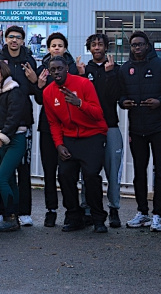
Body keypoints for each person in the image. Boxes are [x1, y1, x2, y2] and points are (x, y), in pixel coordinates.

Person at [119, 31, 161, 232]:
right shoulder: (125, 68)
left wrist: (160, 102)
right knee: (139, 171)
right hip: (137, 129)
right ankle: (142, 212)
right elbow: (120, 94)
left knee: (160, 171)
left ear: (148, 46)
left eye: (140, 44)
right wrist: (123, 102)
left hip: (159, 127)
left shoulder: (160, 66)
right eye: (134, 45)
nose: (137, 48)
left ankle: (157, 214)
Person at [42, 56, 109, 233]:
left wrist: (79, 103)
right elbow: (53, 123)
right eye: (53, 69)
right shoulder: (48, 92)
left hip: (92, 136)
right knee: (64, 175)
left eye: (59, 68)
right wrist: (58, 145)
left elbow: (98, 114)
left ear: (67, 68)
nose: (56, 72)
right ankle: (74, 216)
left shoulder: (84, 84)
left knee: (91, 176)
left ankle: (98, 218)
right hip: (69, 138)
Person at [0, 25, 37, 227]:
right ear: (5, 39)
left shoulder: (29, 61)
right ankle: (3, 211)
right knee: (3, 173)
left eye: (18, 37)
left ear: (23, 40)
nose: (14, 40)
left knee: (23, 170)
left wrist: (35, 82)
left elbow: (38, 93)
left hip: (22, 125)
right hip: (2, 126)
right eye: (11, 37)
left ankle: (23, 212)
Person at [76, 33, 123, 228]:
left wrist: (110, 74)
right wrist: (79, 75)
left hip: (110, 126)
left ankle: (113, 209)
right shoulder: (83, 69)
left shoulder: (114, 69)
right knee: (88, 172)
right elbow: (80, 98)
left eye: (100, 44)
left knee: (113, 172)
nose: (97, 47)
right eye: (93, 44)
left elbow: (112, 97)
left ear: (106, 47)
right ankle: (87, 209)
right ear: (89, 48)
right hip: (89, 128)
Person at [34, 32, 78, 227]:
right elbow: (38, 99)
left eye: (60, 45)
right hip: (47, 125)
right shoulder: (42, 69)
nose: (57, 48)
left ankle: (71, 210)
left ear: (65, 48)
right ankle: (50, 210)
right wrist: (40, 87)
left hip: (69, 125)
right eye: (53, 45)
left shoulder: (74, 68)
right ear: (49, 48)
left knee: (68, 171)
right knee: (49, 170)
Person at [0, 60, 27, 232]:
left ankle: (11, 217)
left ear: (4, 73)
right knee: (9, 180)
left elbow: (13, 118)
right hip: (1, 140)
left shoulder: (14, 90)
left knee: (1, 178)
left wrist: (0, 139)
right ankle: (12, 217)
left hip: (15, 139)